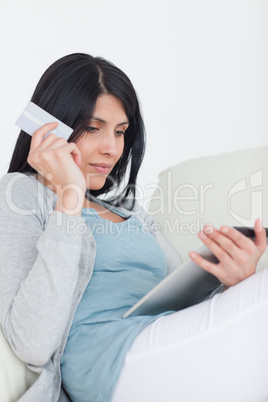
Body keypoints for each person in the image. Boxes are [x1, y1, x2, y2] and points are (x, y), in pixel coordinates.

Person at [0, 53, 267, 402]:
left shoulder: (132, 212)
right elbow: (32, 342)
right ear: (50, 129)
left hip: (167, 341)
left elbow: (183, 307)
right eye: (93, 128)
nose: (111, 148)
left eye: (121, 132)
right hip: (109, 360)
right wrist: (68, 197)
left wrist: (236, 283)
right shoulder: (18, 194)